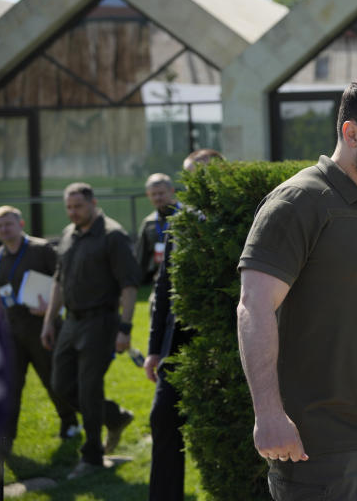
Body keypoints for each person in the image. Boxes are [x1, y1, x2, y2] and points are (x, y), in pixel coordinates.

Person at [237, 73, 357, 500]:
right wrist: (267, 413)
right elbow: (253, 306)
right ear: (351, 132)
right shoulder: (298, 201)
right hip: (317, 447)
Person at [40, 183, 140, 479]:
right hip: (71, 322)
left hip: (101, 322)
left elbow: (130, 285)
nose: (72, 212)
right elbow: (58, 281)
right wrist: (48, 321)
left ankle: (92, 457)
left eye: (78, 207)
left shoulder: (113, 235)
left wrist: (125, 328)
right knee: (60, 384)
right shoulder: (69, 234)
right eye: (69, 207)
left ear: (93, 203)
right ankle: (115, 416)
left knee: (89, 389)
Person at [143, 148, 222, 501]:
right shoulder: (180, 222)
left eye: (201, 173)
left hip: (222, 339)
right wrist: (152, 350)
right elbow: (163, 286)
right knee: (162, 419)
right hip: (178, 343)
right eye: (189, 175)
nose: (194, 181)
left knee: (219, 427)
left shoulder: (237, 218)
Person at [0, 205, 79, 454]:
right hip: (12, 331)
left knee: (53, 377)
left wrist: (51, 310)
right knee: (10, 385)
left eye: (8, 224)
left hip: (44, 326)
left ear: (21, 224)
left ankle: (70, 423)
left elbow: (64, 280)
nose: (3, 229)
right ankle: (5, 438)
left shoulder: (40, 248)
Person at [136, 173, 180, 286]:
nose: (157, 198)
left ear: (172, 191)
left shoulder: (186, 215)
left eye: (161, 193)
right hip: (159, 280)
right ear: (148, 195)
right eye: (153, 194)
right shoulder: (149, 222)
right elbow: (141, 257)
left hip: (183, 278)